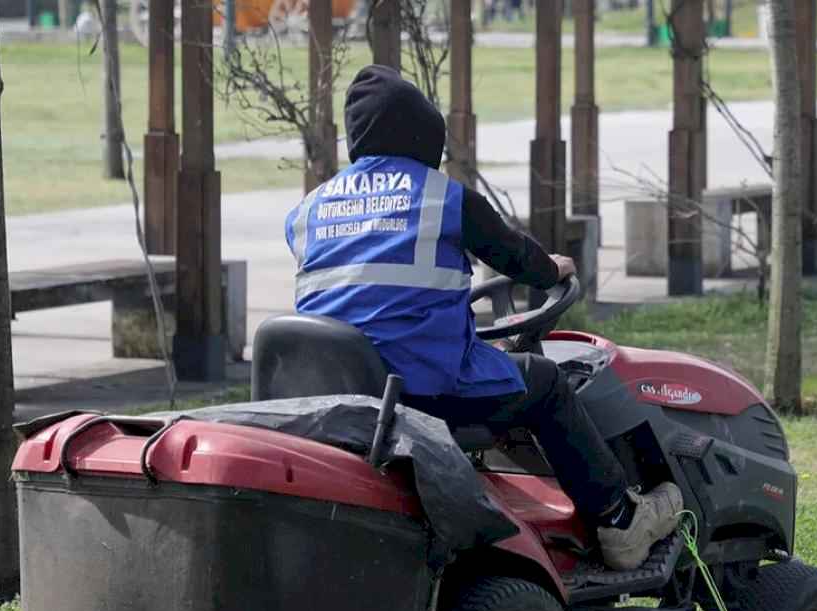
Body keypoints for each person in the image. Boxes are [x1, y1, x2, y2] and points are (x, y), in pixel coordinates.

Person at [284, 64, 682, 571]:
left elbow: (368, 286)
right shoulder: (442, 198)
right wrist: (549, 267)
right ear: (425, 135)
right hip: (420, 395)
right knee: (544, 382)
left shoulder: (309, 210)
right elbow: (515, 256)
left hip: (334, 396)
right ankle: (620, 519)